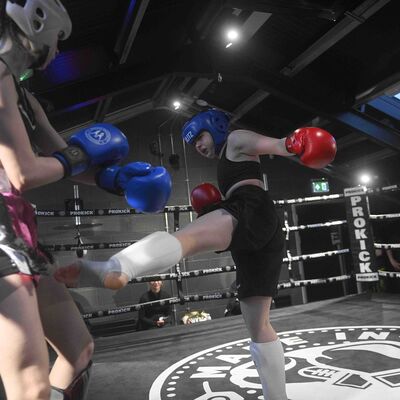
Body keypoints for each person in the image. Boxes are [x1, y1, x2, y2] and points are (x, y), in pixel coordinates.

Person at [54, 109, 337, 399]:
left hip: (251, 208)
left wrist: (291, 143)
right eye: (193, 144)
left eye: (199, 138)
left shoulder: (237, 139)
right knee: (259, 326)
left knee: (185, 239)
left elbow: (276, 145)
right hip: (263, 229)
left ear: (214, 127)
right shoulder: (229, 156)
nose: (199, 146)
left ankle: (118, 265)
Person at [0, 1, 171, 399]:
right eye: (57, 38)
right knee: (29, 384)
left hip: (19, 232)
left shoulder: (25, 96)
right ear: (36, 24)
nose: (58, 50)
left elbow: (65, 159)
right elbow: (25, 172)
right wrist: (76, 155)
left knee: (79, 350)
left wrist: (117, 180)